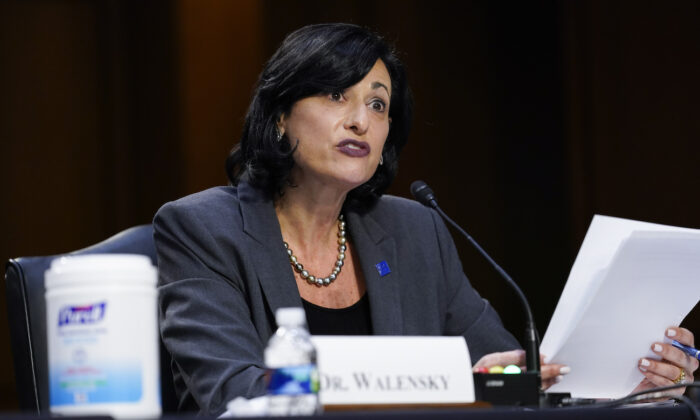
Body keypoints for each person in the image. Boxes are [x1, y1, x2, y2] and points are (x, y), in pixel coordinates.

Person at [153, 23, 696, 415]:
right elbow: (235, 392)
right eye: (337, 94)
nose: (361, 121)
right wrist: (443, 382)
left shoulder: (414, 231)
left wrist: (631, 381)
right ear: (278, 118)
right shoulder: (201, 229)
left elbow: (503, 378)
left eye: (379, 104)